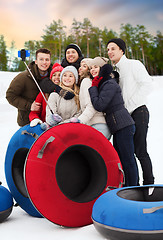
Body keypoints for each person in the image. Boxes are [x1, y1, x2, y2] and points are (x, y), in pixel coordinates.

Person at [107, 38, 154, 185]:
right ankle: (133, 185)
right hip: (125, 117)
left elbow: (147, 85)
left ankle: (149, 185)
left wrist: (130, 106)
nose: (110, 52)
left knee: (140, 151)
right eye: (108, 49)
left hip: (139, 111)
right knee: (127, 153)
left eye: (113, 48)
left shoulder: (134, 64)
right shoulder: (115, 72)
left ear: (122, 50)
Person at [88, 57, 138, 186]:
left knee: (128, 159)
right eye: (91, 67)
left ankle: (134, 187)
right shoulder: (104, 83)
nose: (93, 69)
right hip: (118, 126)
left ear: (102, 68)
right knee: (121, 159)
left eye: (96, 67)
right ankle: (128, 187)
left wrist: (93, 88)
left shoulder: (109, 84)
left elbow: (99, 104)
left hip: (123, 125)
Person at [6, 48, 52, 126]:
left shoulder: (54, 76)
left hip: (49, 122)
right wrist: (29, 106)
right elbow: (10, 96)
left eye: (47, 59)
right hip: (28, 122)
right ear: (36, 61)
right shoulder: (23, 77)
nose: (44, 62)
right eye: (41, 59)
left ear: (50, 61)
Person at [75, 58, 111, 139]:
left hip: (97, 125)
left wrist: (79, 121)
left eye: (84, 66)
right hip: (99, 126)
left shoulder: (87, 82)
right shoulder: (90, 83)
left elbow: (91, 106)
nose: (80, 68)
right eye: (80, 66)